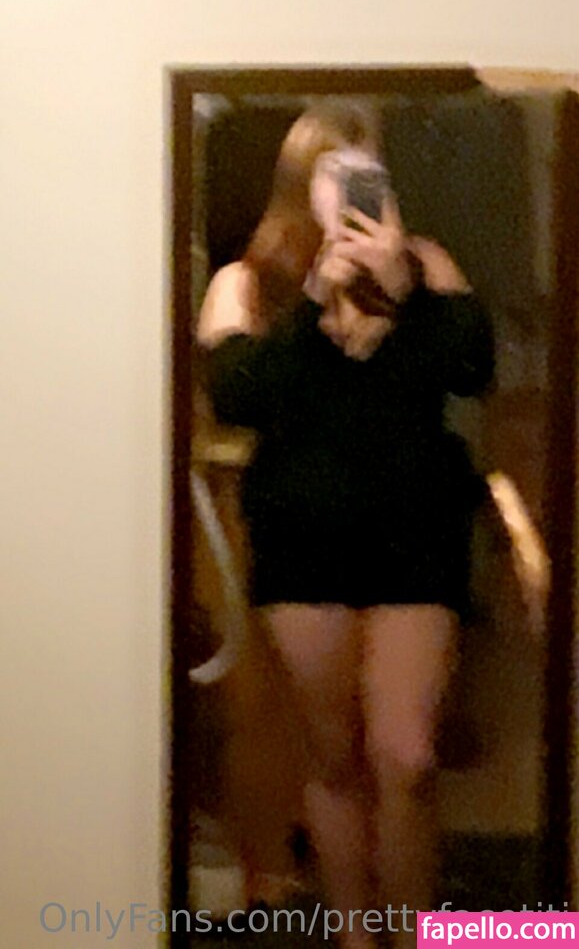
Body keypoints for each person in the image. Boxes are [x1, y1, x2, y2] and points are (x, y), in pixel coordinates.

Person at [197, 99, 495, 948]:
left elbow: (472, 368)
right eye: (337, 173)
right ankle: (356, 939)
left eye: (371, 171)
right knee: (333, 761)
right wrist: (311, 304)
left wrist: (401, 287)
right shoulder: (245, 282)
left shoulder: (425, 264)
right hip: (304, 544)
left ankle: (413, 936)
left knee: (407, 758)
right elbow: (238, 395)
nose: (356, 190)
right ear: (301, 184)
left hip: (416, 542)